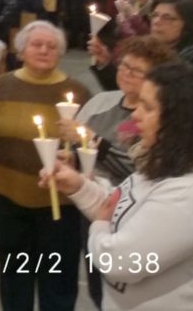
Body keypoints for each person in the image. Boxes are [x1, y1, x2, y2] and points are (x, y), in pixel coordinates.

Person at [39, 61, 193, 311]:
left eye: (147, 107)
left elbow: (120, 262)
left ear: (178, 121)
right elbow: (121, 206)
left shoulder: (187, 195)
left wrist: (100, 226)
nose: (135, 114)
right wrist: (78, 186)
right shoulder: (158, 162)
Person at [0, 21, 90, 310]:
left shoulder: (77, 92)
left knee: (57, 278)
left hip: (58, 203)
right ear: (21, 51)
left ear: (61, 52)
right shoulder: (1, 85)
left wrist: (77, 156)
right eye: (36, 44)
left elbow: (91, 146)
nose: (44, 50)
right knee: (14, 274)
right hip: (6, 195)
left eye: (51, 46)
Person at [68, 36, 176, 308]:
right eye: (124, 66)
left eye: (136, 70)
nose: (126, 73)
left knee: (123, 287)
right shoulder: (102, 101)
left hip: (131, 212)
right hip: (91, 206)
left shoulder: (155, 115)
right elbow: (82, 151)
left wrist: (94, 142)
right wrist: (68, 157)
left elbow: (139, 165)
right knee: (96, 284)